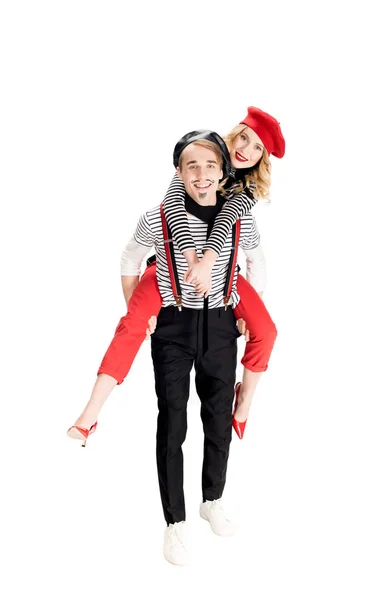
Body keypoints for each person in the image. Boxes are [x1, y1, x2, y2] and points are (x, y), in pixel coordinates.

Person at [67, 107, 285, 446]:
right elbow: (172, 209)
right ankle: (90, 413)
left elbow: (230, 224)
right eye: (244, 138)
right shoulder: (198, 155)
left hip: (221, 272)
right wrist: (189, 262)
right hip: (169, 265)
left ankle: (244, 402)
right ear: (234, 133)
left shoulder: (247, 191)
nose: (246, 150)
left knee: (266, 331)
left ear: (262, 159)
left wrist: (234, 300)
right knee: (132, 325)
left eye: (258, 148)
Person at [132, 131, 265, 565]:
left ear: (223, 170)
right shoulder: (159, 217)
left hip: (222, 326)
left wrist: (246, 308)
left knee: (217, 418)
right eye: (193, 166)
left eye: (211, 166)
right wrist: (139, 310)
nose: (202, 175)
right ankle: (175, 523)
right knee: (172, 420)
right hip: (172, 326)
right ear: (179, 171)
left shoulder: (238, 218)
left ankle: (213, 499)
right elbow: (129, 258)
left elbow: (256, 260)